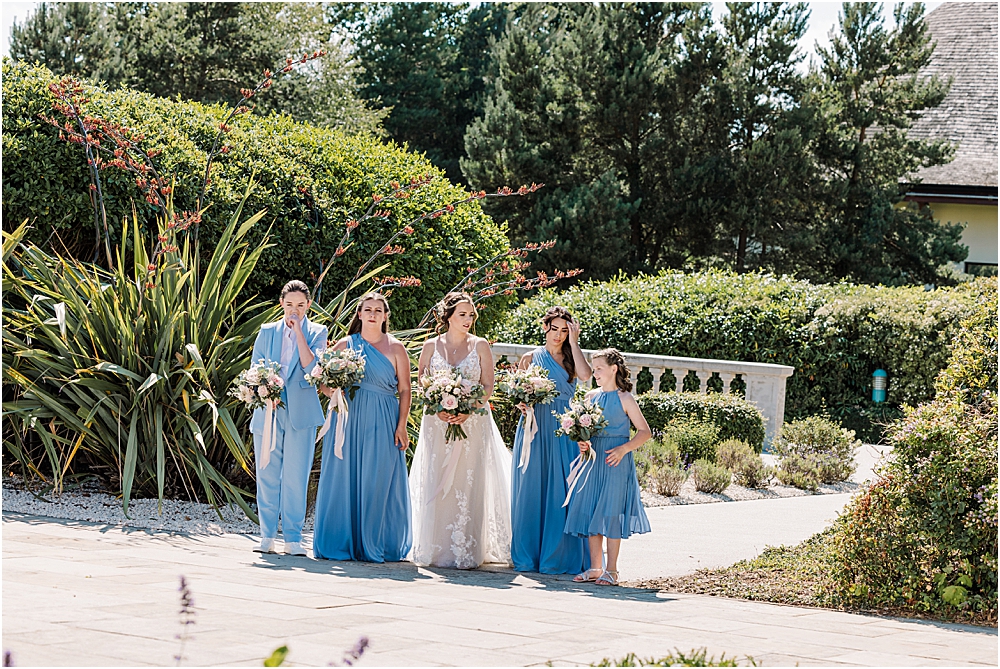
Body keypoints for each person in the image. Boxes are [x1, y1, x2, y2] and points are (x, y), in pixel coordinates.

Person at [409, 292, 513, 569]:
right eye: (462, 314)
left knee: (469, 480)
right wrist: (436, 405)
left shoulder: (480, 346)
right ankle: (434, 546)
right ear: (448, 316)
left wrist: (469, 408)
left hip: (474, 422)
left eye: (471, 314)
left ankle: (467, 548)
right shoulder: (430, 346)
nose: (468, 319)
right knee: (437, 476)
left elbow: (488, 385)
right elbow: (422, 382)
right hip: (437, 422)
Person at [312, 293, 413, 562]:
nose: (372, 314)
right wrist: (331, 390)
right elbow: (320, 377)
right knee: (345, 477)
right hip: (349, 419)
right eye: (367, 309)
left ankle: (376, 542)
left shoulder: (396, 348)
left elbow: (405, 390)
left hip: (383, 419)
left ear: (385, 316)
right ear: (359, 314)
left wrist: (401, 425)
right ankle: (341, 541)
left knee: (378, 478)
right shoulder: (346, 344)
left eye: (378, 310)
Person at [511, 306, 592, 574]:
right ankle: (527, 555)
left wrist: (575, 342)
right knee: (531, 488)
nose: (558, 335)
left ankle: (557, 556)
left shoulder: (572, 358)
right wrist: (522, 406)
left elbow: (586, 376)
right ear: (545, 327)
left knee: (561, 490)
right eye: (554, 328)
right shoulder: (530, 358)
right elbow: (519, 395)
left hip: (563, 429)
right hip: (534, 427)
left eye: (564, 331)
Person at [248, 280, 327, 556]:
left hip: (301, 414)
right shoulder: (267, 331)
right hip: (268, 411)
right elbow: (255, 369)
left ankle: (293, 537)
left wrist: (300, 335)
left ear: (309, 306)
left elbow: (313, 369)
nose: (294, 310)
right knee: (267, 473)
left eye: (301, 305)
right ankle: (267, 534)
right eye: (290, 304)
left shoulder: (318, 332)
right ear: (282, 303)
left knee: (296, 476)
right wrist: (265, 390)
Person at [564, 348, 652, 586]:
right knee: (592, 512)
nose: (595, 373)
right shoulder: (591, 397)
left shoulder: (625, 398)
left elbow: (645, 432)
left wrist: (624, 449)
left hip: (616, 462)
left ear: (614, 369)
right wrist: (582, 442)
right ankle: (595, 568)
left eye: (599, 369)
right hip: (593, 461)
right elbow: (585, 430)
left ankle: (611, 570)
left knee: (611, 513)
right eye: (594, 369)